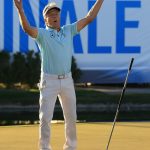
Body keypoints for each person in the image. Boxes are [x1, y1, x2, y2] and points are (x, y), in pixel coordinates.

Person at [14, 0, 104, 150]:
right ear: (45, 19)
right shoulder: (42, 34)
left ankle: (71, 147)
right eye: (51, 14)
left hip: (67, 80)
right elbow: (27, 29)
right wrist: (20, 11)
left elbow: (89, 18)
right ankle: (44, 148)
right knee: (45, 118)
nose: (55, 16)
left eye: (56, 13)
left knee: (71, 117)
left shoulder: (68, 30)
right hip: (49, 81)